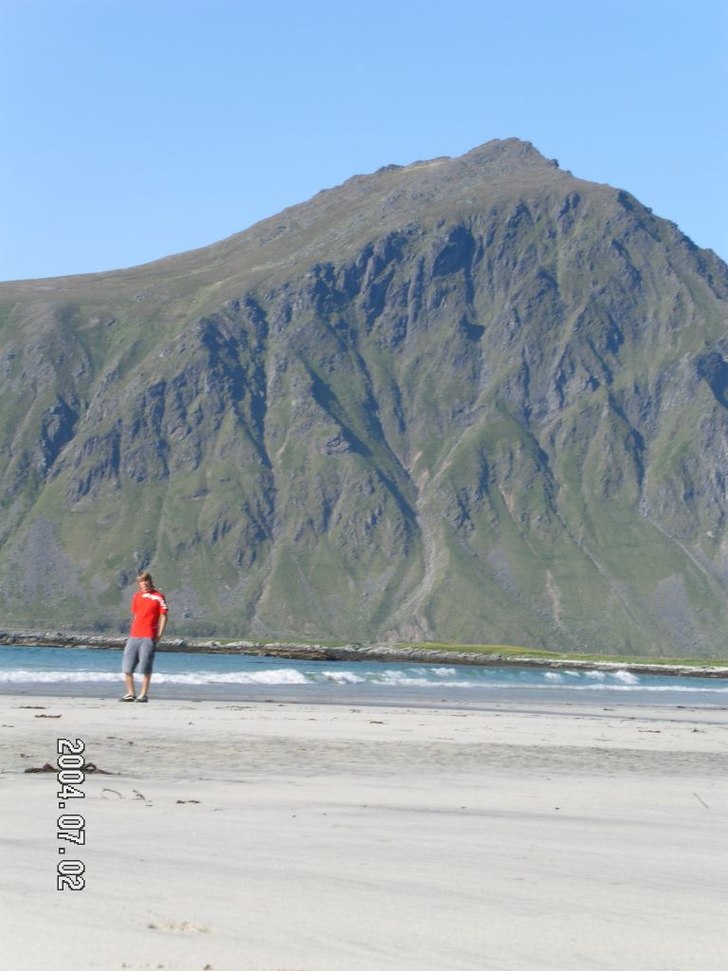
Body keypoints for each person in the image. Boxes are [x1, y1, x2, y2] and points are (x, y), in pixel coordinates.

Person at [119, 570, 168, 702]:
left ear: (150, 581)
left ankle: (143, 694)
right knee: (127, 666)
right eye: (141, 581)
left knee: (145, 666)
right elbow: (136, 614)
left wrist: (159, 634)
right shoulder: (136, 596)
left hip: (148, 636)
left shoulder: (158, 596)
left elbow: (163, 615)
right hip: (134, 635)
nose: (144, 583)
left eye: (146, 580)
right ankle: (130, 693)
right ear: (139, 584)